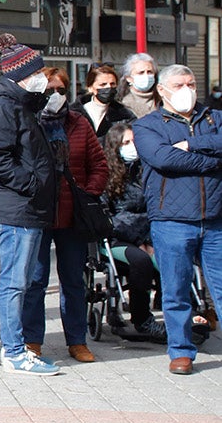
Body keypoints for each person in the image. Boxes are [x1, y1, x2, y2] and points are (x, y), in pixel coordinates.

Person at [133, 64, 222, 375]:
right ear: (162, 90)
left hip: (215, 218)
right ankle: (181, 351)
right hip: (171, 218)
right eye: (179, 84)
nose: (187, 89)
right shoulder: (147, 126)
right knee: (176, 290)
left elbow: (181, 155)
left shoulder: (213, 117)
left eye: (191, 83)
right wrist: (213, 162)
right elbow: (163, 159)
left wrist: (193, 144)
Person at [0, 37, 62, 376]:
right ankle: (14, 351)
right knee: (15, 283)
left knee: (27, 281)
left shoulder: (21, 103)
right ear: (22, 75)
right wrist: (32, 185)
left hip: (29, 208)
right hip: (18, 209)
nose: (42, 77)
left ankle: (21, 347)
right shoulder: (3, 104)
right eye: (37, 72)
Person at [21, 67, 108, 364]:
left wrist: (88, 192)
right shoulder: (28, 120)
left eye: (61, 90)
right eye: (49, 90)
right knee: (35, 280)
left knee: (73, 280)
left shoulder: (79, 124)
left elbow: (99, 164)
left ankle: (77, 340)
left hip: (73, 215)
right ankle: (31, 339)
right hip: (39, 213)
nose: (55, 96)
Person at [101, 123, 166, 344]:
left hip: (149, 234)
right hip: (117, 238)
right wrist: (139, 237)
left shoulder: (147, 170)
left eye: (134, 142)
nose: (132, 148)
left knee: (172, 255)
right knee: (141, 261)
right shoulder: (105, 174)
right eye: (126, 143)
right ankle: (142, 319)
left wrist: (147, 237)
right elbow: (107, 217)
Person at [72, 64, 136, 140]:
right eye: (103, 84)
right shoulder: (74, 114)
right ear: (90, 88)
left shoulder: (125, 116)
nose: (108, 87)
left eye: (112, 84)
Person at [119, 53, 160, 119]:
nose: (146, 76)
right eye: (141, 72)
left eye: (149, 72)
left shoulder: (163, 100)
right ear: (128, 78)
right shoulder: (123, 105)